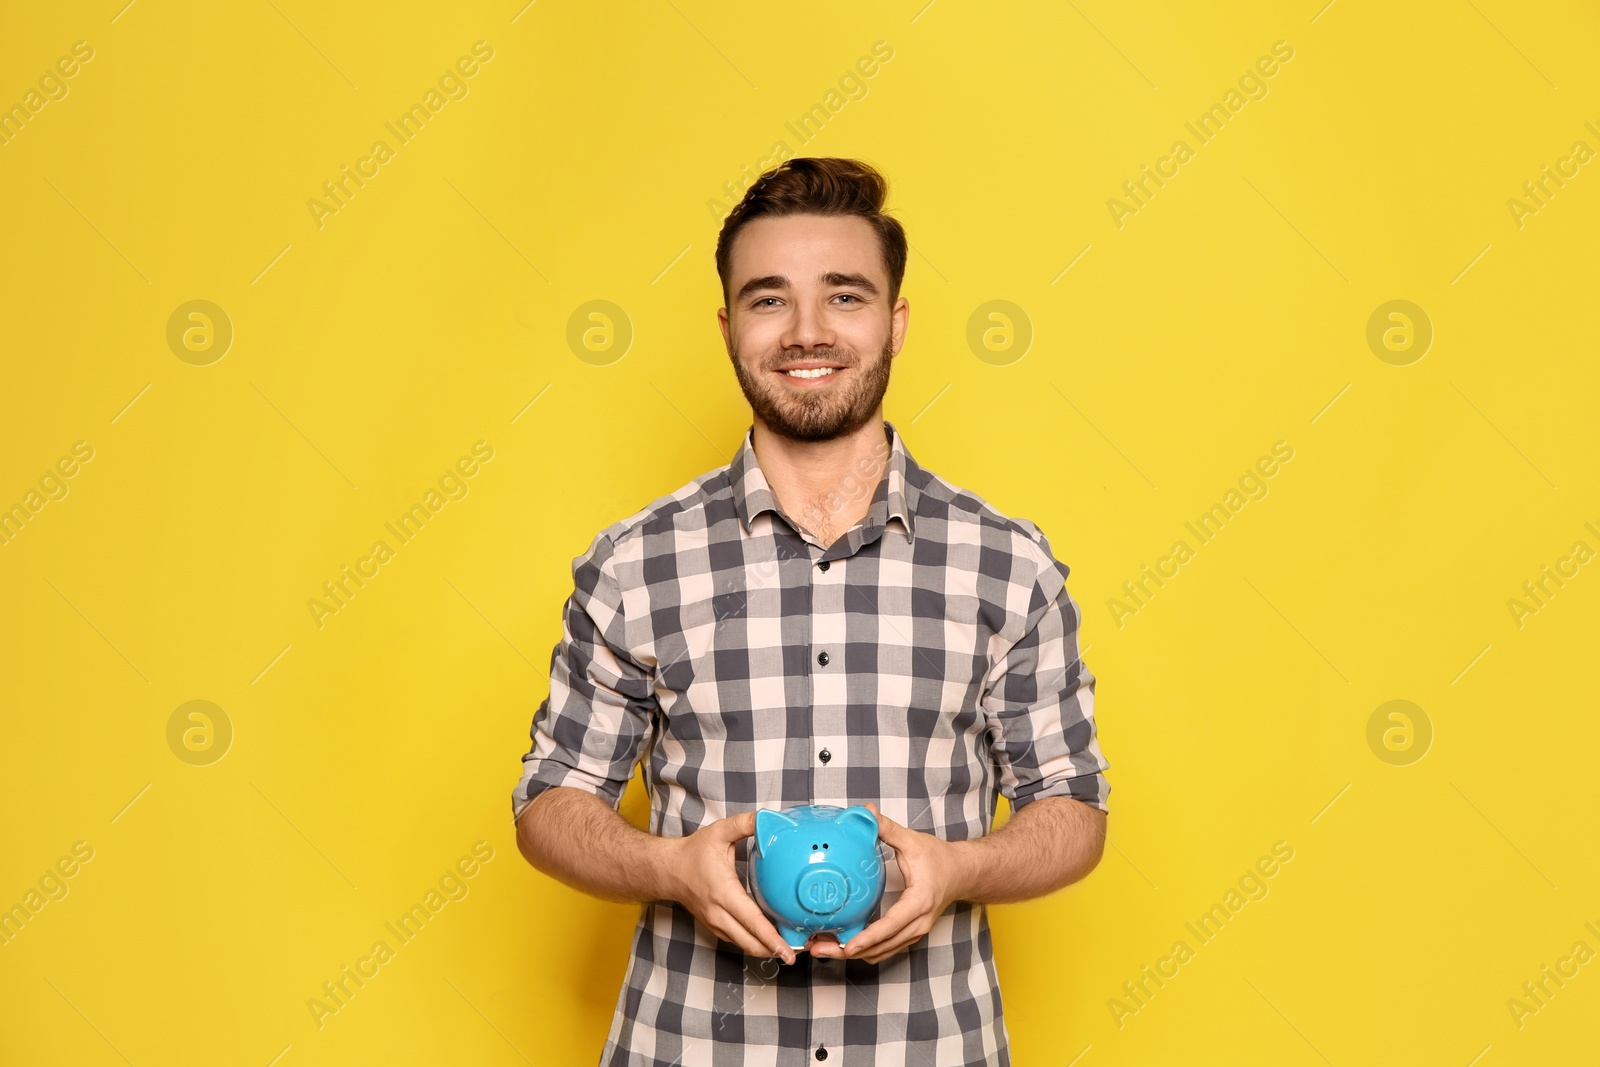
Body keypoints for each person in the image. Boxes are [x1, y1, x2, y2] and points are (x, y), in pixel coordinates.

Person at [512, 156, 1110, 1066]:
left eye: (844, 296)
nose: (806, 331)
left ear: (895, 321)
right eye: (767, 299)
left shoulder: (1008, 565)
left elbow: (1072, 805)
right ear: (726, 327)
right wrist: (667, 867)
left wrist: (960, 869)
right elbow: (548, 799)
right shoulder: (634, 562)